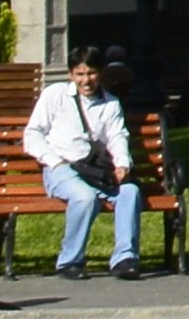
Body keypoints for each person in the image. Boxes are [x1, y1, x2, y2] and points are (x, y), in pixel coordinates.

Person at [25, 51, 144, 278]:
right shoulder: (55, 95)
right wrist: (55, 161)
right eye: (79, 74)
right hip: (62, 168)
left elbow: (117, 137)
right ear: (71, 74)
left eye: (91, 73)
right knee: (85, 197)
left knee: (130, 192)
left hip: (95, 171)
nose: (86, 80)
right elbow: (32, 135)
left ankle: (125, 258)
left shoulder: (110, 103)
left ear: (100, 74)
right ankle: (69, 261)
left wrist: (122, 164)